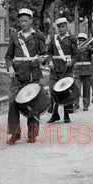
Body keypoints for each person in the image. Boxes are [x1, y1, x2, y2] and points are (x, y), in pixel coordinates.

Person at [5, 8, 47, 145]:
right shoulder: (14, 37)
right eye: (20, 21)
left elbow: (44, 54)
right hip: (17, 75)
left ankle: (32, 134)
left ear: (31, 21)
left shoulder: (38, 36)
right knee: (13, 102)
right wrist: (10, 67)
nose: (22, 23)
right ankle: (15, 133)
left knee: (32, 104)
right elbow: (9, 56)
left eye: (25, 21)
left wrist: (43, 59)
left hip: (32, 74)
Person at [47, 17, 78, 123]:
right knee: (52, 90)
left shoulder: (71, 39)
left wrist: (72, 61)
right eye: (59, 27)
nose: (61, 29)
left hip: (67, 69)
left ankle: (66, 114)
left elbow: (75, 54)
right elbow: (49, 52)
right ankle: (55, 114)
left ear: (67, 27)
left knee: (66, 91)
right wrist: (50, 61)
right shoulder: (53, 38)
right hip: (54, 69)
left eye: (63, 26)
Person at [74, 33, 93, 111]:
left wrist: (92, 45)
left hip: (87, 70)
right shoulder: (76, 47)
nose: (81, 41)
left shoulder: (89, 47)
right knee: (76, 87)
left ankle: (86, 105)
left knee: (86, 89)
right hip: (77, 70)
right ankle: (76, 104)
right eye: (80, 40)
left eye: (83, 40)